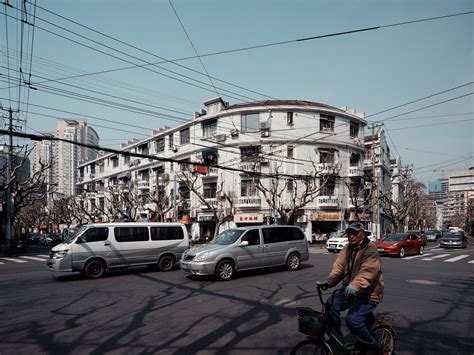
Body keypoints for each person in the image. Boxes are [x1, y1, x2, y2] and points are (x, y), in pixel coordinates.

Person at [319, 222, 384, 354]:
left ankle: (374, 347)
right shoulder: (347, 248)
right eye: (349, 233)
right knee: (330, 304)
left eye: (354, 233)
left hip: (368, 293)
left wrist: (354, 285)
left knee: (352, 320)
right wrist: (328, 282)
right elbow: (339, 268)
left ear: (362, 234)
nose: (351, 236)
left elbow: (368, 271)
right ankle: (336, 339)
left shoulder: (370, 249)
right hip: (351, 290)